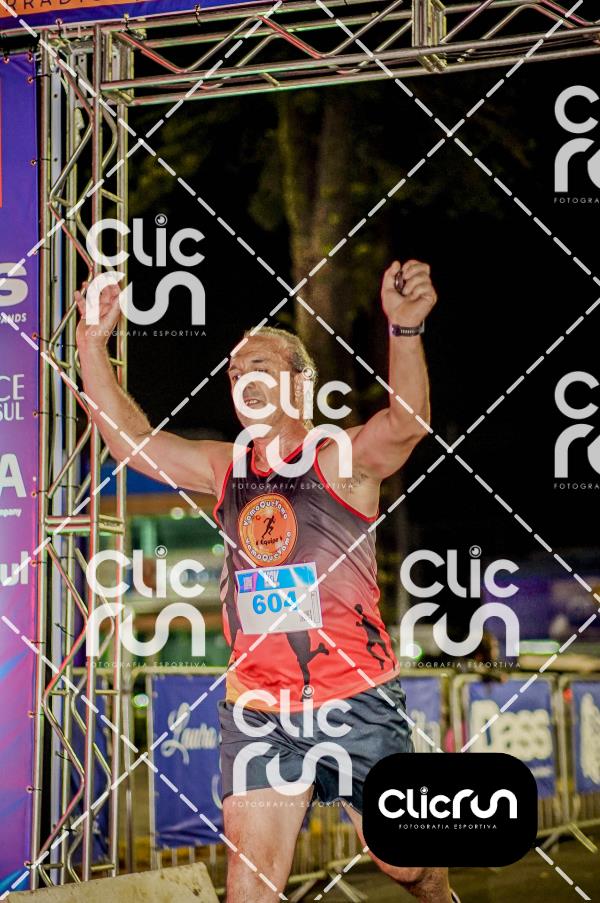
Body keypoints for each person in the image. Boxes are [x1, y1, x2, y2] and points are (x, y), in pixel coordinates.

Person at [76, 260, 460, 902]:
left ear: (300, 385)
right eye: (234, 372)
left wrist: (405, 331)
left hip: (355, 697)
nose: (243, 378)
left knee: (408, 867)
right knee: (250, 887)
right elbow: (131, 443)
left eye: (260, 366)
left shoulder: (338, 458)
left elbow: (405, 425)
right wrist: (93, 342)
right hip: (258, 708)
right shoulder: (224, 467)